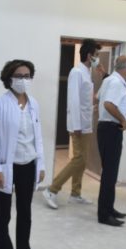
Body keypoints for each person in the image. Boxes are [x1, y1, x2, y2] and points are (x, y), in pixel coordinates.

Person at [0, 60, 45, 249]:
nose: (23, 80)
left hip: (28, 164)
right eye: (19, 76)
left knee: (25, 213)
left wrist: (41, 164)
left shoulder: (33, 104)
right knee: (3, 215)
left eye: (27, 76)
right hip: (6, 166)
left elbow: (38, 137)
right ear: (9, 78)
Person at [42, 39, 103, 209]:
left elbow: (84, 100)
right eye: (96, 55)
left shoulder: (87, 73)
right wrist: (76, 125)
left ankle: (76, 193)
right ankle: (52, 189)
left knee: (82, 160)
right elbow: (73, 100)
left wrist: (92, 108)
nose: (98, 58)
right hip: (79, 125)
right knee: (79, 159)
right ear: (89, 55)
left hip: (86, 123)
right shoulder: (76, 72)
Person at [96, 55, 126, 227]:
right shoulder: (117, 83)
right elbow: (108, 104)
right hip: (111, 129)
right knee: (109, 174)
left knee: (110, 173)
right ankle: (104, 214)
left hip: (106, 128)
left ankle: (109, 208)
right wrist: (123, 120)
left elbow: (98, 98)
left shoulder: (108, 80)